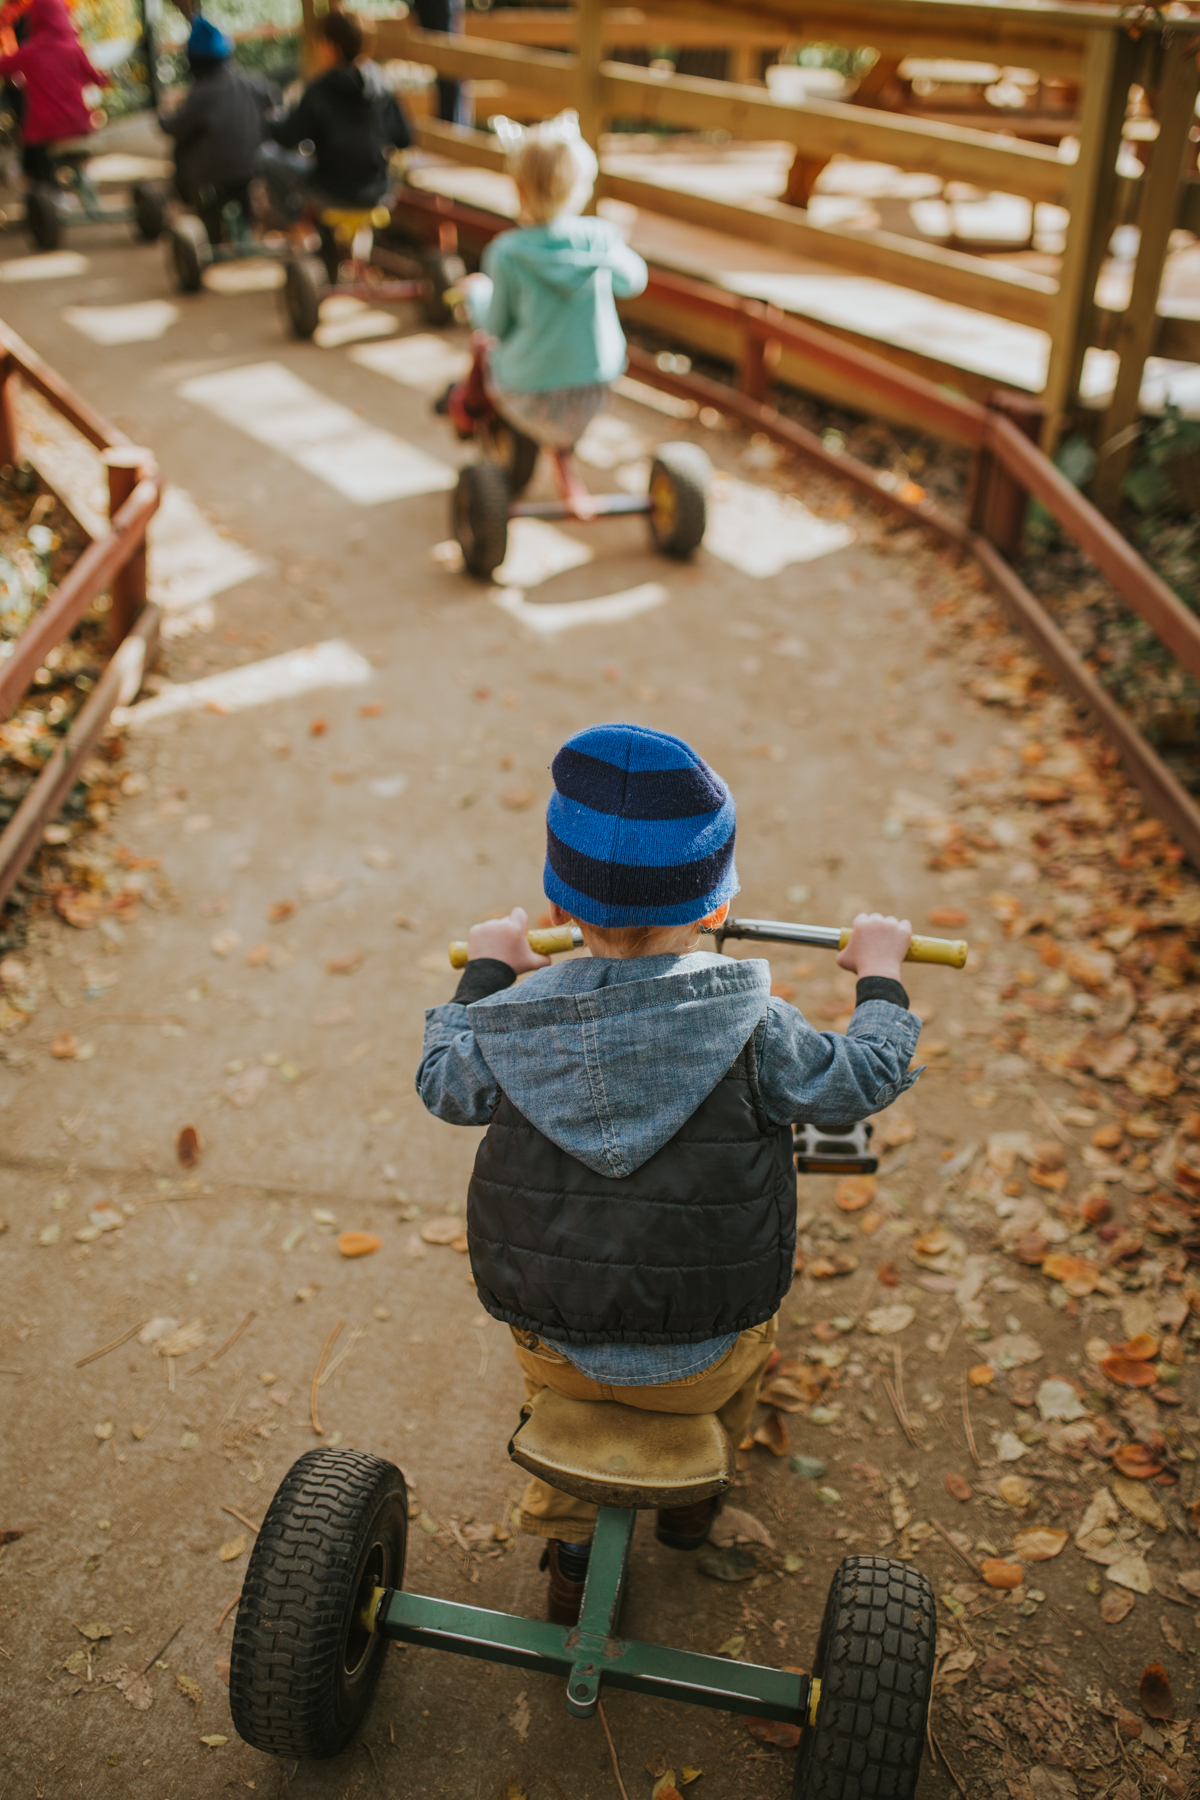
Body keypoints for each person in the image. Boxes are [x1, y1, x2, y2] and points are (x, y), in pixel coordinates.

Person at [416, 722, 921, 1624]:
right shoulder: (762, 1030)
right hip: (705, 1355)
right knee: (744, 1353)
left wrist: (488, 972)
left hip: (551, 1343)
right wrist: (880, 976)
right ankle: (693, 1502)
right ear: (718, 905)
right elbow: (864, 1079)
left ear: (562, 913)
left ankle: (570, 1553)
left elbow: (443, 1084)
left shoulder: (511, 1020)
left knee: (560, 1369)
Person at [448, 111, 647, 451]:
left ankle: (465, 411)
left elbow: (495, 325)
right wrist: (606, 252)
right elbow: (633, 281)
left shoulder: (507, 252)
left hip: (530, 394)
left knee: (484, 348)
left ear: (519, 189)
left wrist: (477, 294)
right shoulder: (599, 237)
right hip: (594, 388)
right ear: (579, 186)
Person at [262, 7, 410, 219]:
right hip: (379, 192)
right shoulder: (382, 85)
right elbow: (404, 138)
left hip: (332, 192)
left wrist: (271, 120)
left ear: (330, 46)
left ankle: (295, 228)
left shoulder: (319, 90)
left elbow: (286, 138)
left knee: (267, 157)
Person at [159, 15, 269, 238]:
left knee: (183, 149)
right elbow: (274, 104)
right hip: (252, 166)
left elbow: (175, 128)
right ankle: (247, 224)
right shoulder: (251, 84)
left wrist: (163, 116)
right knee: (239, 182)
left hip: (211, 173)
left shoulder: (201, 94)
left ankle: (202, 216)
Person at [0, 0, 107, 189]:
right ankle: (78, 184)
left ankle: (42, 188)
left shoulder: (30, 51)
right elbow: (99, 79)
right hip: (79, 125)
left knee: (34, 134)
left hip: (43, 131)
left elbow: (5, 66)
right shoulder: (75, 49)